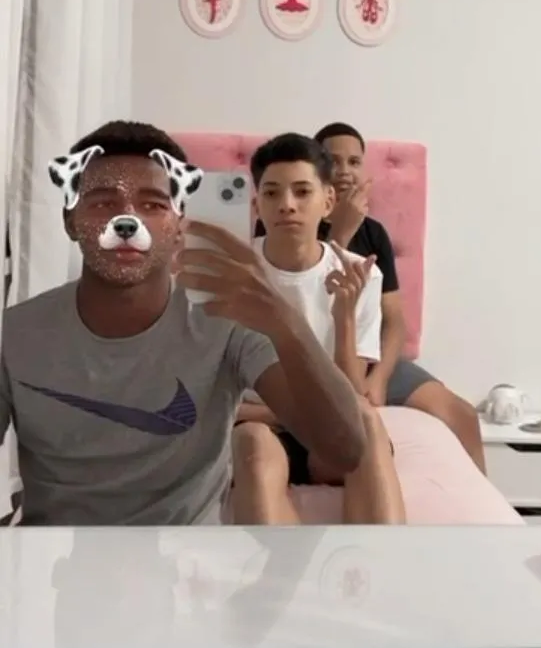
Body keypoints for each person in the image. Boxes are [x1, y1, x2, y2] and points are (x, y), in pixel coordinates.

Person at [0, 120, 366, 525]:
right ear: (70, 220)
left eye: (153, 205)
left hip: (187, 560)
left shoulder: (228, 323)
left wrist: (285, 321)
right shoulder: (14, 334)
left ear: (179, 225)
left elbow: (345, 451)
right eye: (103, 202)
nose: (127, 220)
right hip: (54, 559)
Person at [233, 133, 405, 525]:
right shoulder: (233, 272)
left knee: (366, 422)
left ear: (328, 201)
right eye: (272, 193)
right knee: (251, 442)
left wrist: (344, 316)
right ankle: (284, 566)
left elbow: (351, 397)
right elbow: (215, 398)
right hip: (262, 424)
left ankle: (386, 556)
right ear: (257, 204)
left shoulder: (359, 273)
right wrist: (284, 415)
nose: (287, 205)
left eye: (302, 191)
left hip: (330, 427)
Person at [316, 122, 486, 472]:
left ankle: (487, 507)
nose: (345, 171)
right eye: (334, 161)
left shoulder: (374, 232)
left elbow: (394, 320)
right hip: (324, 359)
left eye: (354, 161)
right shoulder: (296, 224)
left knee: (463, 415)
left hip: (375, 359)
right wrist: (340, 234)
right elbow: (311, 305)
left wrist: (378, 378)